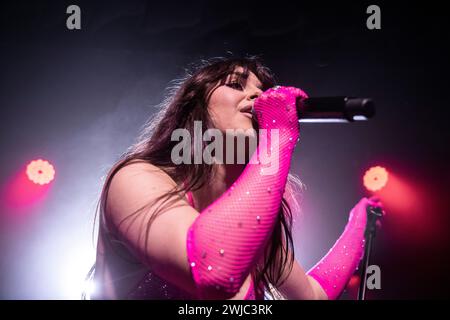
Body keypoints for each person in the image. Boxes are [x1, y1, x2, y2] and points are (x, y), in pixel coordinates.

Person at [89, 56, 382, 300]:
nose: (259, 96)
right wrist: (278, 137)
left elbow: (312, 296)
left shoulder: (253, 222)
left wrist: (358, 226)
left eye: (264, 89)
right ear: (196, 107)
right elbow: (212, 269)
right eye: (236, 84)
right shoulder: (135, 178)